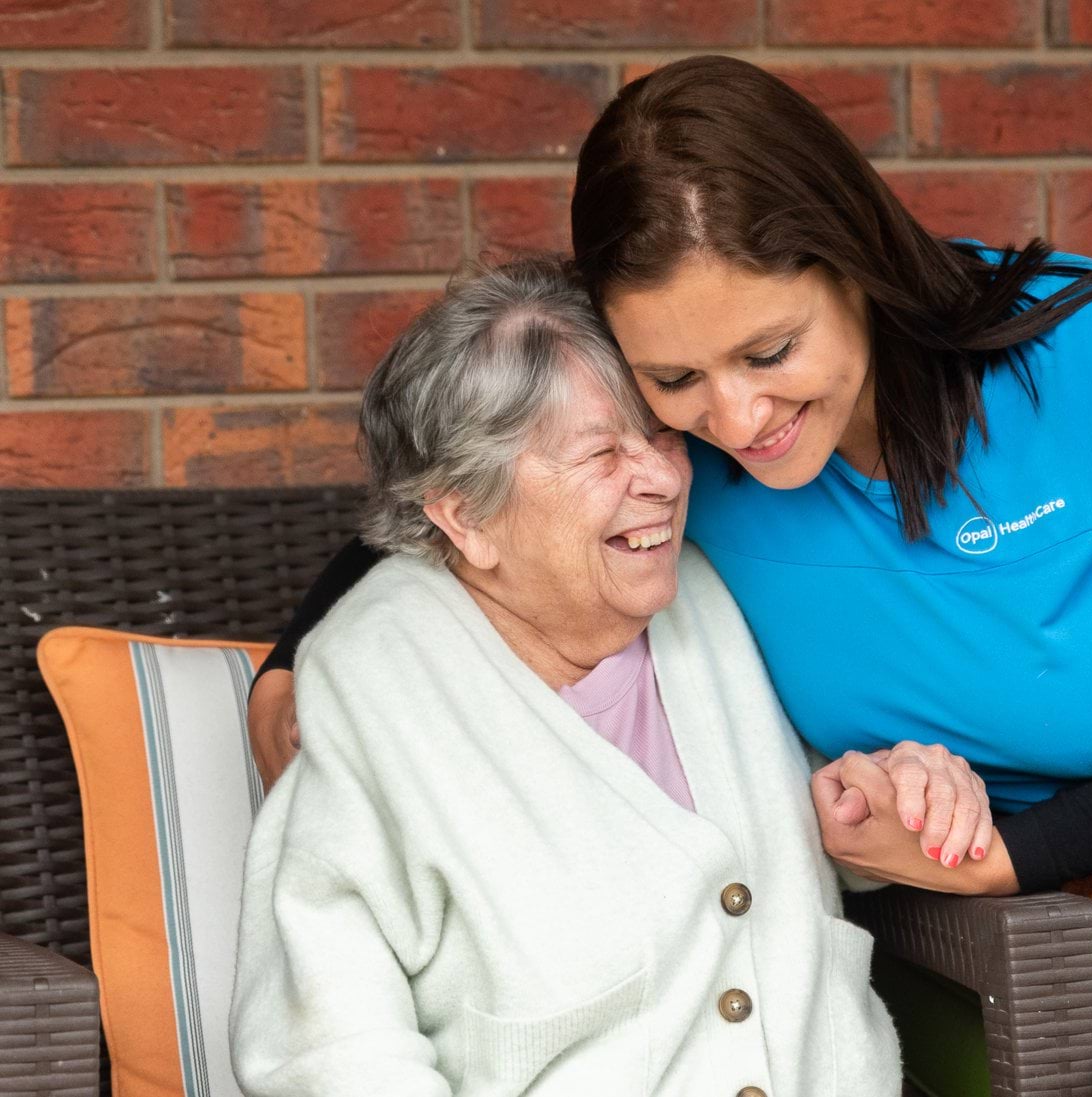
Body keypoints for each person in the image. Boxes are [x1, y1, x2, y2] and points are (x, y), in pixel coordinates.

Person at [249, 57, 1092, 1096]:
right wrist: (298, 652)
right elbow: (471, 486)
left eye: (769, 351)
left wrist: (1013, 852)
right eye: (674, 377)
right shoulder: (696, 469)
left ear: (852, 262)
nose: (736, 416)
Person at [229, 257, 943, 1097]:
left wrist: (900, 790)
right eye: (603, 452)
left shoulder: (718, 597)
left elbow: (833, 818)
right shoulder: (382, 693)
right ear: (465, 514)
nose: (664, 479)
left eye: (661, 436)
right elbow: (327, 1048)